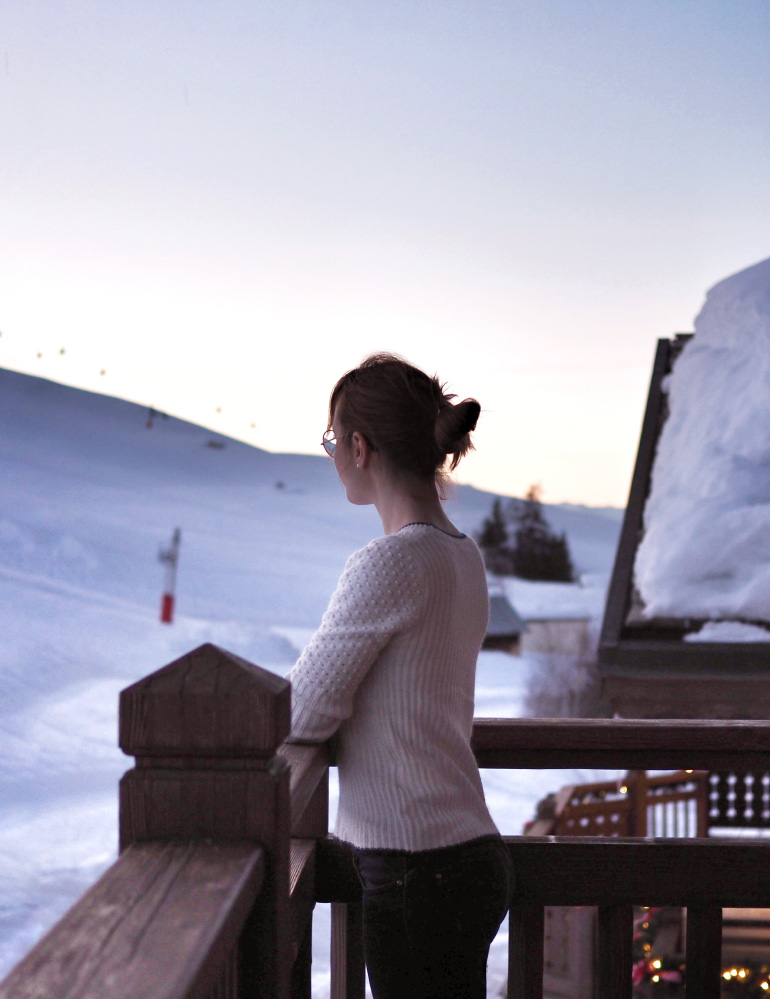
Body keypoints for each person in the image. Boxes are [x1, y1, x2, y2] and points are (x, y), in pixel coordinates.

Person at [287, 352, 514, 999]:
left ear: (360, 447)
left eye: (333, 439)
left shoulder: (390, 561)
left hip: (419, 869)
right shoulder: (460, 554)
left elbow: (303, 711)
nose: (332, 454)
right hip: (463, 854)